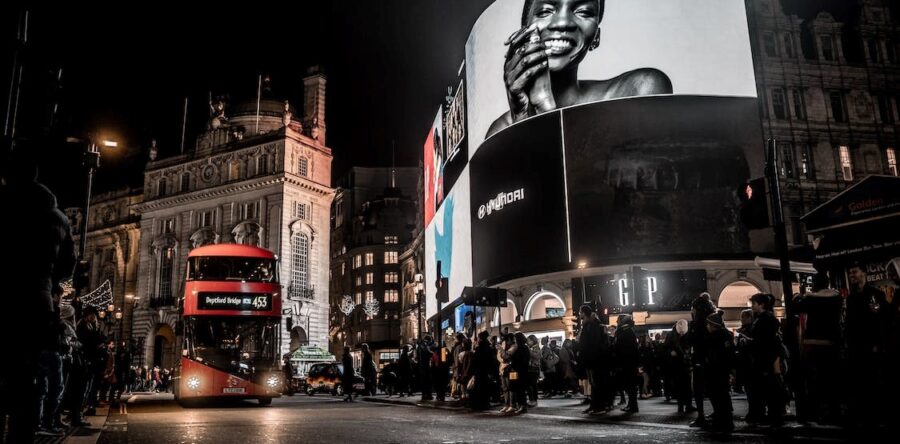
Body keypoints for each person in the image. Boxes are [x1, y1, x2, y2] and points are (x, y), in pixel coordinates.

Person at [487, 0, 672, 138]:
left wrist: (545, 112)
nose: (562, 22)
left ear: (596, 37)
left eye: (583, 12)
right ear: (523, 32)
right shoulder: (503, 128)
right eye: (545, 11)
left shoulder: (638, 91)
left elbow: (645, 177)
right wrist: (523, 119)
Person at [0, 143, 76, 442]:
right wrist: (50, 284)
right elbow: (68, 265)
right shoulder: (58, 217)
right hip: (37, 301)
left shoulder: (5, 201)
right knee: (28, 379)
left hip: (4, 293)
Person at [844, 263, 889, 426]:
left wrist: (878, 343)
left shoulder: (876, 294)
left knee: (875, 380)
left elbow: (882, 321)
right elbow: (849, 323)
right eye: (850, 273)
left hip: (872, 346)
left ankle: (877, 414)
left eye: (854, 272)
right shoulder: (851, 298)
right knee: (860, 381)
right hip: (856, 347)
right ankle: (863, 415)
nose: (852, 275)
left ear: (863, 273)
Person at [743, 293, 784, 426]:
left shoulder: (766, 319)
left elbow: (765, 340)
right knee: (765, 388)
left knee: (768, 388)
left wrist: (750, 341)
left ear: (761, 304)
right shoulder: (762, 318)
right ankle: (769, 414)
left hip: (765, 358)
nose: (752, 306)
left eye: (754, 303)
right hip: (763, 357)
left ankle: (773, 415)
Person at [688, 292, 716, 428]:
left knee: (698, 388)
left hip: (700, 358)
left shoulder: (697, 323)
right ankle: (718, 412)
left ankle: (701, 415)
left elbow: (691, 340)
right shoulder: (712, 319)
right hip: (712, 359)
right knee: (713, 388)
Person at [705, 311, 735, 432]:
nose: (707, 326)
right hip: (724, 370)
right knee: (724, 395)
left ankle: (721, 421)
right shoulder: (727, 335)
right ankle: (727, 420)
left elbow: (713, 355)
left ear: (713, 325)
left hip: (715, 370)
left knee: (717, 396)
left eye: (708, 324)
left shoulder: (713, 338)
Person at [577, 305, 611, 415]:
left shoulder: (592, 325)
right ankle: (594, 405)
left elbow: (593, 343)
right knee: (593, 383)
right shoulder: (587, 325)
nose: (579, 314)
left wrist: (589, 356)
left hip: (594, 360)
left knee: (596, 383)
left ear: (584, 313)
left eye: (580, 312)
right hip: (590, 360)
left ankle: (599, 407)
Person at [665, 319, 694, 414]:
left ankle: (687, 404)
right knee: (680, 385)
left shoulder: (686, 334)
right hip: (677, 364)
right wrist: (670, 351)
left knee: (686, 385)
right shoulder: (671, 335)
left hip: (684, 363)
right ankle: (681, 405)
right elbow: (666, 348)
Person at [614, 315, 639, 413]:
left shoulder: (626, 331)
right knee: (629, 385)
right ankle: (631, 404)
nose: (617, 322)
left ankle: (633, 406)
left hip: (627, 362)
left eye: (618, 320)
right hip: (628, 362)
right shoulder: (628, 331)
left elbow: (622, 347)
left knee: (630, 385)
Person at [526, 335, 541, 406]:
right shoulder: (530, 347)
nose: (528, 342)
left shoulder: (536, 347)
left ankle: (534, 400)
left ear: (533, 340)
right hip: (530, 368)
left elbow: (537, 356)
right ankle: (531, 399)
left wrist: (529, 351)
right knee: (530, 385)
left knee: (533, 385)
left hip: (534, 368)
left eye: (529, 341)